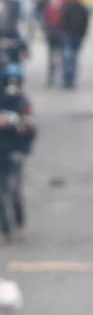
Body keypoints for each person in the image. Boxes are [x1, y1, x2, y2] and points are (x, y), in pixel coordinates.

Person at [0, 62, 36, 242]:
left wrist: (12, 121)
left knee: (13, 190)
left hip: (15, 150)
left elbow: (29, 128)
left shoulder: (22, 101)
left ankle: (19, 222)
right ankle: (4, 229)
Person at [60, 0, 89, 88]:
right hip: (68, 35)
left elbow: (86, 22)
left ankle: (71, 80)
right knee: (68, 58)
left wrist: (83, 34)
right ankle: (66, 79)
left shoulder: (82, 8)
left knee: (74, 59)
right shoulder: (66, 6)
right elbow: (62, 20)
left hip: (77, 36)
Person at [41, 0, 63, 86]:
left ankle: (60, 76)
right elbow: (44, 21)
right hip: (51, 36)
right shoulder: (48, 9)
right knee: (51, 57)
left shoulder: (62, 8)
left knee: (60, 57)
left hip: (59, 36)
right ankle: (51, 76)